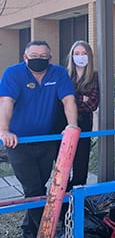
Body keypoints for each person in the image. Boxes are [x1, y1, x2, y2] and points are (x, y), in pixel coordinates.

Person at [0, 40, 78, 238]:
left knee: (38, 188)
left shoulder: (58, 73)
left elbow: (68, 100)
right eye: (34, 56)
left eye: (44, 57)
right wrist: (4, 130)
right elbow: (6, 102)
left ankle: (29, 229)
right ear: (25, 57)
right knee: (34, 189)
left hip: (46, 141)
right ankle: (48, 231)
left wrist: (71, 125)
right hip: (19, 143)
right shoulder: (13, 73)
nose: (39, 59)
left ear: (50, 58)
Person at [65, 40, 99, 190]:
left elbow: (92, 104)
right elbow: (60, 101)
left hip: (84, 124)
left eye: (84, 53)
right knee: (64, 163)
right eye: (77, 53)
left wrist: (71, 99)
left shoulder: (95, 77)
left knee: (81, 162)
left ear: (90, 56)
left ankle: (78, 196)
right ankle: (63, 197)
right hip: (64, 123)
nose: (80, 57)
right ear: (71, 56)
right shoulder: (65, 76)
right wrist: (80, 98)